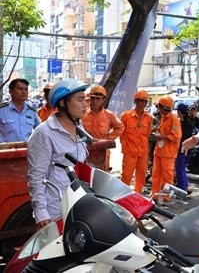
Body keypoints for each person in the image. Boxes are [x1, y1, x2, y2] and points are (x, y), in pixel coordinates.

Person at [27, 79, 89, 230]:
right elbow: (36, 177)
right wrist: (41, 213)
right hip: (55, 209)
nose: (85, 104)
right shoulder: (44, 133)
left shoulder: (79, 126)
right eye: (80, 100)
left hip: (78, 202)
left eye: (85, 99)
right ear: (62, 103)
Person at [82, 84, 125, 171]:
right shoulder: (82, 114)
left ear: (103, 100)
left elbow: (120, 127)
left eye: (97, 99)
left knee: (102, 177)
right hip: (85, 151)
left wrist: (108, 139)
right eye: (92, 98)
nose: (94, 101)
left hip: (103, 152)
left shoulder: (109, 115)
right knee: (85, 176)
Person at [119, 89, 154, 193]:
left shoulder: (149, 118)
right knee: (126, 176)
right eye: (140, 101)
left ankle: (137, 195)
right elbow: (121, 133)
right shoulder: (125, 116)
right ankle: (123, 195)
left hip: (142, 152)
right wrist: (126, 146)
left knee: (141, 176)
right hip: (129, 152)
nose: (142, 103)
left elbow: (147, 135)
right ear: (136, 101)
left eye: (145, 101)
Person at [150, 95, 182, 198]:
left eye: (159, 107)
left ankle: (166, 196)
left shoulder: (173, 119)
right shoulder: (164, 118)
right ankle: (155, 194)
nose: (158, 109)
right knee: (156, 175)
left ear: (163, 107)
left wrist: (162, 137)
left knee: (167, 177)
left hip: (168, 153)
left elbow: (176, 136)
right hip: (159, 151)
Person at [0, 78, 40, 142]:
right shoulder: (2, 110)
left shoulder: (32, 112)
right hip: (6, 150)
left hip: (26, 150)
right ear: (11, 91)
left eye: (26, 89)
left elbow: (40, 131)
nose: (24, 92)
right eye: (20, 89)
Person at [175, 103, 194, 193]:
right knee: (182, 168)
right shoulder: (190, 123)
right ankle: (185, 185)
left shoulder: (178, 123)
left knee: (179, 169)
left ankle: (182, 188)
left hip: (180, 149)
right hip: (188, 149)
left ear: (179, 112)